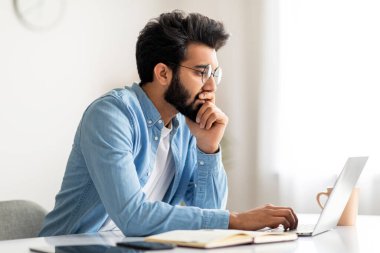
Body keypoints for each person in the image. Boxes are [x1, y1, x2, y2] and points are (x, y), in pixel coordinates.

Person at [39, 10, 297, 237]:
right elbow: (133, 217)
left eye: (214, 74)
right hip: (69, 247)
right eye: (201, 72)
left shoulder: (184, 128)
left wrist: (208, 148)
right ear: (163, 73)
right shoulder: (111, 114)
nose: (211, 86)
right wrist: (236, 219)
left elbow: (210, 219)